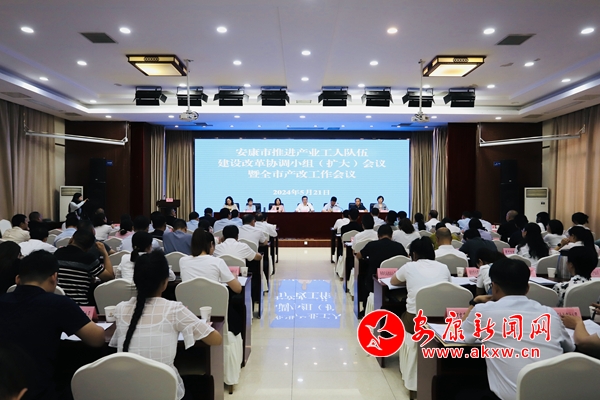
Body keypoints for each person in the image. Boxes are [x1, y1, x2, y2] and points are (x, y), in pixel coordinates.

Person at [109, 251, 222, 400]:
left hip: (127, 391)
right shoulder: (174, 309)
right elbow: (216, 339)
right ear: (165, 282)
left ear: (135, 281)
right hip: (164, 391)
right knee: (203, 383)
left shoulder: (120, 309)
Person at [462, 258, 574, 400]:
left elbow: (461, 334)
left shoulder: (482, 311)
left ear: (494, 287)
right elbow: (569, 348)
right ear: (527, 288)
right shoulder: (549, 313)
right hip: (555, 395)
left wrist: (474, 302)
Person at [0, 251, 105, 399]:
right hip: (40, 391)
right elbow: (97, 339)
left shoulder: (2, 300)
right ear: (54, 277)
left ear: (17, 279)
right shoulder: (58, 303)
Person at [390, 237, 452, 333]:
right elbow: (449, 286)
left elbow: (393, 281)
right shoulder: (444, 267)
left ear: (414, 254)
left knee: (396, 312)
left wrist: (408, 280)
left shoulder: (409, 267)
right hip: (441, 319)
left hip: (415, 321)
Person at [54, 230, 114, 305]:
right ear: (89, 248)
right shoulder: (89, 259)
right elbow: (109, 277)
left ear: (72, 239)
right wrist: (105, 253)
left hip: (58, 303)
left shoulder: (57, 253)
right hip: (80, 304)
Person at [357, 225, 407, 305]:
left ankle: (365, 305)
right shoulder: (399, 246)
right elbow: (406, 258)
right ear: (391, 235)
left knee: (364, 275)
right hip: (396, 283)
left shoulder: (371, 245)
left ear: (378, 235)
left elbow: (358, 256)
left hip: (375, 283)